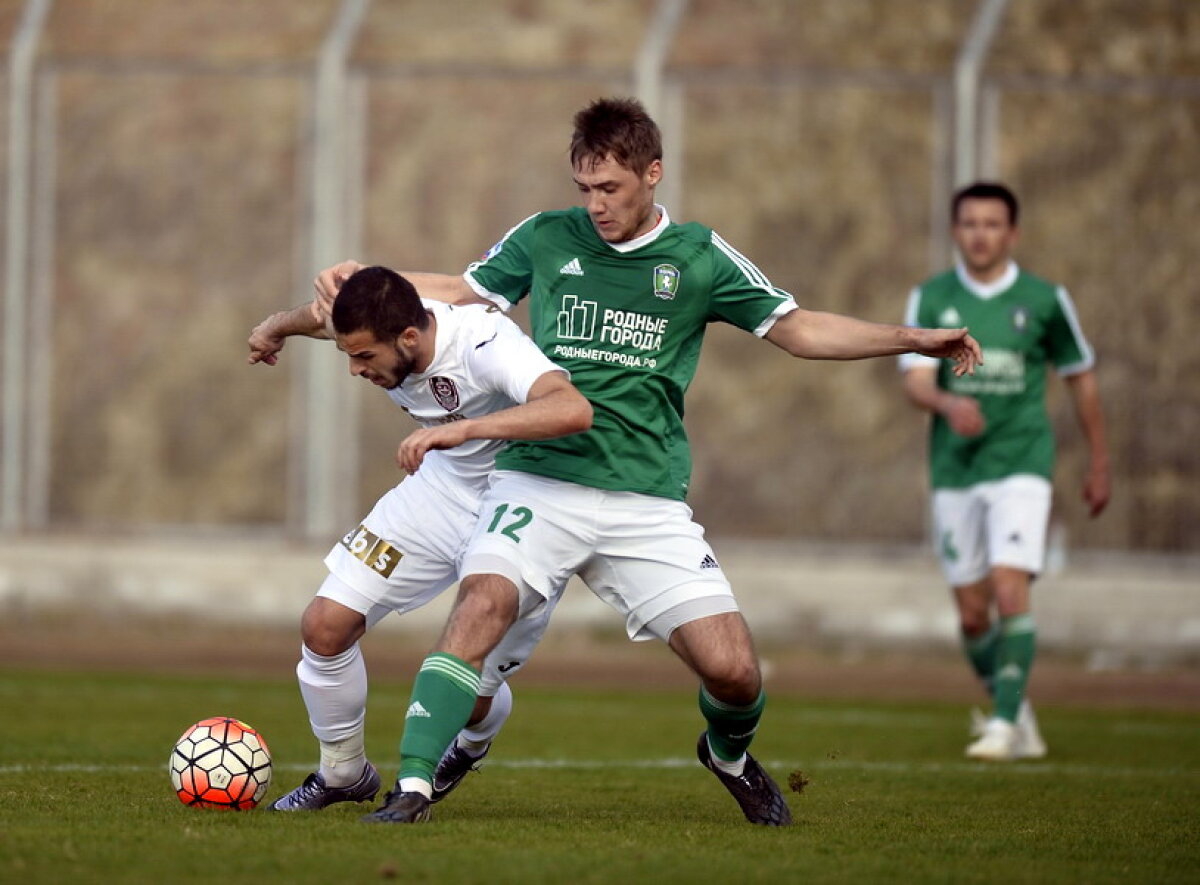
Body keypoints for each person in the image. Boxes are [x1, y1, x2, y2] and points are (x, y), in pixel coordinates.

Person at [316, 97, 981, 826]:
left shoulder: (697, 257)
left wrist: (912, 338)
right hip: (540, 478)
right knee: (481, 605)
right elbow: (462, 291)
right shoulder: (546, 238)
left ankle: (726, 753)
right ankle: (410, 789)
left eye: (611, 189)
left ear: (652, 173)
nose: (596, 205)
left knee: (733, 671)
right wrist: (368, 280)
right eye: (585, 189)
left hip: (646, 496)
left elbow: (799, 329)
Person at [246, 265, 592, 810]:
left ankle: (473, 741)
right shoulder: (385, 317)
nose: (355, 369)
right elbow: (320, 318)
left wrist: (462, 429)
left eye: (364, 357)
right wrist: (276, 327)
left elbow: (570, 407)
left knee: (471, 696)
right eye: (348, 355)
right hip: (438, 493)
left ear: (409, 337)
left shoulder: (484, 343)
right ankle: (342, 773)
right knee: (325, 626)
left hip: (520, 503)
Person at [900, 181, 1110, 761]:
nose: (981, 234)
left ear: (1012, 233)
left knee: (1010, 585)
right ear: (955, 231)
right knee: (972, 614)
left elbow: (1080, 377)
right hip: (955, 469)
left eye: (993, 224)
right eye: (970, 223)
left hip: (1022, 462)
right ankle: (1015, 710)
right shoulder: (930, 298)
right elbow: (916, 382)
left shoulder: (1044, 300)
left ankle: (1000, 726)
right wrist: (947, 404)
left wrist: (1099, 459)